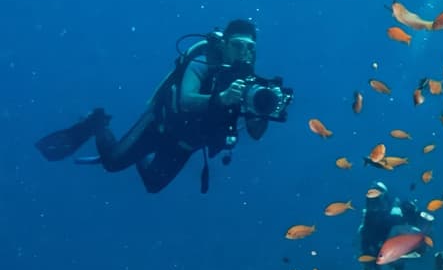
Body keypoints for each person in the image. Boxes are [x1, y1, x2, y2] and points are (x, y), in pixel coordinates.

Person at [37, 19, 292, 193]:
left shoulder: (255, 87)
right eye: (237, 45)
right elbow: (186, 99)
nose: (244, 52)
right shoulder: (202, 66)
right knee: (112, 163)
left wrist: (266, 111)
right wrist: (221, 98)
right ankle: (98, 123)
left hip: (186, 146)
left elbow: (256, 133)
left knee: (153, 186)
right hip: (158, 126)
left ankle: (138, 155)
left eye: (250, 47)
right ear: (224, 45)